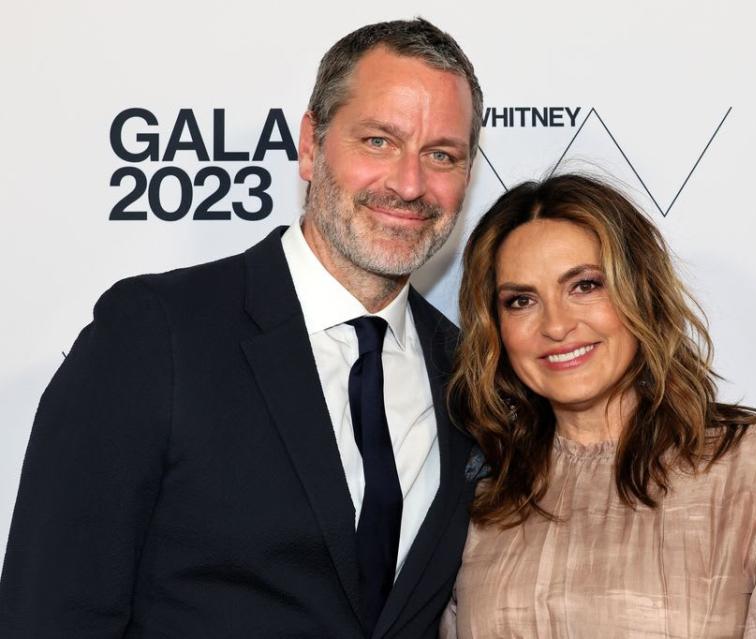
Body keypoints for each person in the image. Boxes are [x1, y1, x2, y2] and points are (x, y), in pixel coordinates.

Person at [0, 18, 482, 639]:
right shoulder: (157, 334)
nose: (410, 184)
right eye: (378, 141)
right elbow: (49, 611)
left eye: (441, 154)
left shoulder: (468, 372)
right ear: (311, 145)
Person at [441, 174, 756, 638]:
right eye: (521, 300)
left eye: (585, 286)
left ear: (640, 294)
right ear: (495, 329)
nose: (557, 325)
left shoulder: (750, 470)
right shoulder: (482, 491)